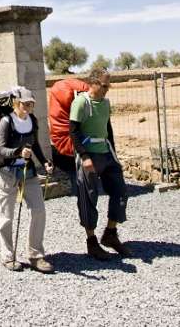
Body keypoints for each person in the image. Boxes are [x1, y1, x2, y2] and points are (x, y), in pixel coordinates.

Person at [69, 65, 127, 260]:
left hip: (106, 153)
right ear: (92, 84)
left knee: (120, 192)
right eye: (104, 85)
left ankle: (110, 234)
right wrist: (84, 157)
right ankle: (91, 241)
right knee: (88, 198)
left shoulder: (105, 103)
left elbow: (108, 129)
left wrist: (114, 156)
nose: (107, 88)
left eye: (108, 85)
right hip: (89, 156)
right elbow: (74, 132)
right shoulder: (80, 103)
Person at [0, 87, 55, 273]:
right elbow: (1, 150)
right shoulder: (6, 121)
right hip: (7, 172)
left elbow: (35, 144)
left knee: (38, 210)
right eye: (25, 104)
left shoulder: (33, 121)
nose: (28, 107)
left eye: (31, 104)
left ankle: (35, 255)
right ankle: (8, 256)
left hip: (28, 171)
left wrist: (44, 162)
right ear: (16, 103)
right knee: (7, 216)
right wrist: (18, 153)